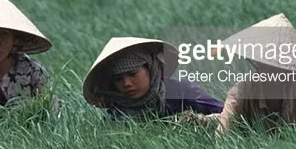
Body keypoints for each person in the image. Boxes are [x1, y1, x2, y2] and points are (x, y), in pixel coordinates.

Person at [216, 13, 296, 133]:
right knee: (214, 119)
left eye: (277, 64)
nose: (271, 69)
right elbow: (223, 133)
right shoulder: (241, 92)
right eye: (266, 63)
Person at [83, 37, 224, 121]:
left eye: (133, 74)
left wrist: (204, 121)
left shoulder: (182, 92)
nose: (126, 83)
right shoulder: (117, 113)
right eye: (118, 79)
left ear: (151, 69)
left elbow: (227, 115)